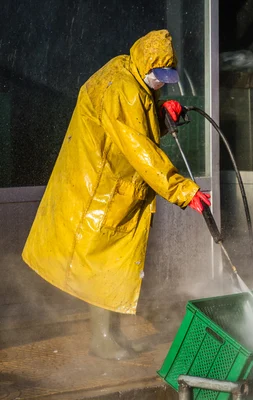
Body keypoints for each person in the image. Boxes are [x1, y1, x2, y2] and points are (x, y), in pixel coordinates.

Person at [21, 30, 210, 360]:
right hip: (101, 190)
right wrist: (183, 189)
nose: (161, 83)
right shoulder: (123, 88)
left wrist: (160, 112)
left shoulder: (126, 71)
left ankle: (112, 335)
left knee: (113, 268)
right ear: (144, 64)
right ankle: (103, 339)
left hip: (106, 184)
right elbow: (139, 147)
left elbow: (134, 123)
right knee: (102, 268)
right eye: (158, 77)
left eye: (167, 77)